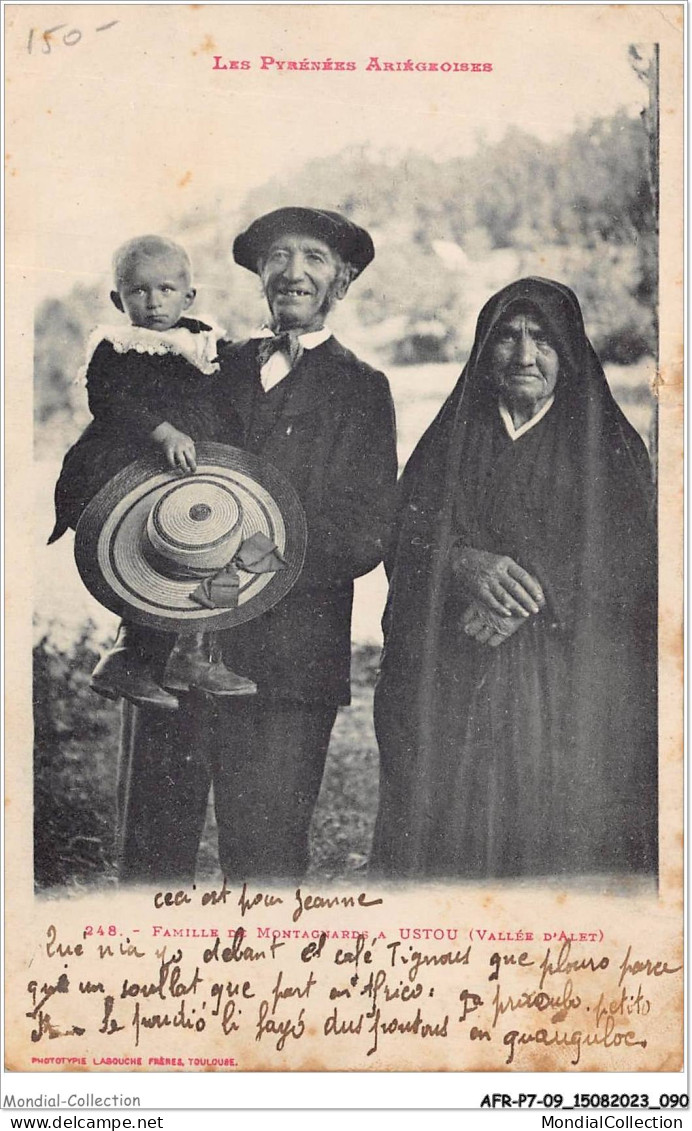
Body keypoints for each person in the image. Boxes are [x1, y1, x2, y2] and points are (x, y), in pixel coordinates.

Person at [118, 208, 398, 883]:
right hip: (172, 643)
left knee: (266, 862)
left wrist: (250, 562)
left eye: (315, 257)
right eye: (278, 255)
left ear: (344, 279)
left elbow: (367, 528)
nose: (294, 270)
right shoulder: (203, 363)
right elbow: (132, 472)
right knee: (151, 856)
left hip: (289, 664)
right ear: (260, 274)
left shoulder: (364, 388)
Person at [372, 277, 657, 882]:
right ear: (483, 350)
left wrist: (531, 593)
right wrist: (459, 564)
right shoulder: (450, 440)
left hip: (563, 681)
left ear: (569, 353)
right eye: (507, 337)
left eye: (543, 340)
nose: (525, 355)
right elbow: (402, 534)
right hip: (455, 669)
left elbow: (633, 559)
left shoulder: (607, 444)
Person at [49, 234, 256, 708]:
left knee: (226, 548)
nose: (153, 301)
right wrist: (163, 433)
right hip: (128, 464)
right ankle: (125, 659)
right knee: (150, 559)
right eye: (138, 291)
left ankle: (195, 650)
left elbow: (220, 396)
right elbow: (108, 400)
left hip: (188, 468)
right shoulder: (118, 344)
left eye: (165, 289)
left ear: (189, 295)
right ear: (117, 299)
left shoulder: (204, 339)